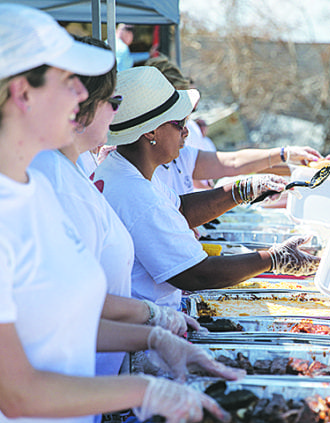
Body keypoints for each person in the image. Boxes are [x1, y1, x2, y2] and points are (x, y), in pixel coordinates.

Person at [0, 5, 239, 422]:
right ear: (22, 93)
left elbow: (63, 320)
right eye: (69, 82)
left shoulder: (34, 189)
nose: (82, 97)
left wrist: (152, 335)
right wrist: (145, 387)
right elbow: (18, 393)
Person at [30, 36, 201, 381]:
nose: (116, 111)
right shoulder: (53, 180)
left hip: (91, 384)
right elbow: (59, 314)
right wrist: (150, 325)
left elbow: (82, 299)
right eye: (113, 100)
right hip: (71, 387)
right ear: (81, 105)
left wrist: (151, 322)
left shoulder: (77, 167)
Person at [93, 66, 320, 310]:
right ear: (150, 131)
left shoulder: (124, 167)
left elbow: (179, 209)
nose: (186, 132)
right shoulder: (137, 193)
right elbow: (194, 274)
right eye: (179, 123)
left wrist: (241, 190)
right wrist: (273, 259)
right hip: (145, 326)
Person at [144, 55, 322, 195]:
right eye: (179, 121)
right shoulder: (141, 173)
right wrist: (244, 190)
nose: (187, 131)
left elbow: (232, 161)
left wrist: (285, 154)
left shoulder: (178, 154)